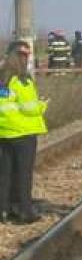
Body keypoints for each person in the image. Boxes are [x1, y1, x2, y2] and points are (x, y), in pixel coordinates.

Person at [0, 41, 46, 223]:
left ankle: (4, 210)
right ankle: (24, 211)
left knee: (5, 173)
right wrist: (42, 105)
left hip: (3, 133)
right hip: (23, 132)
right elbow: (30, 108)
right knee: (23, 174)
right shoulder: (21, 80)